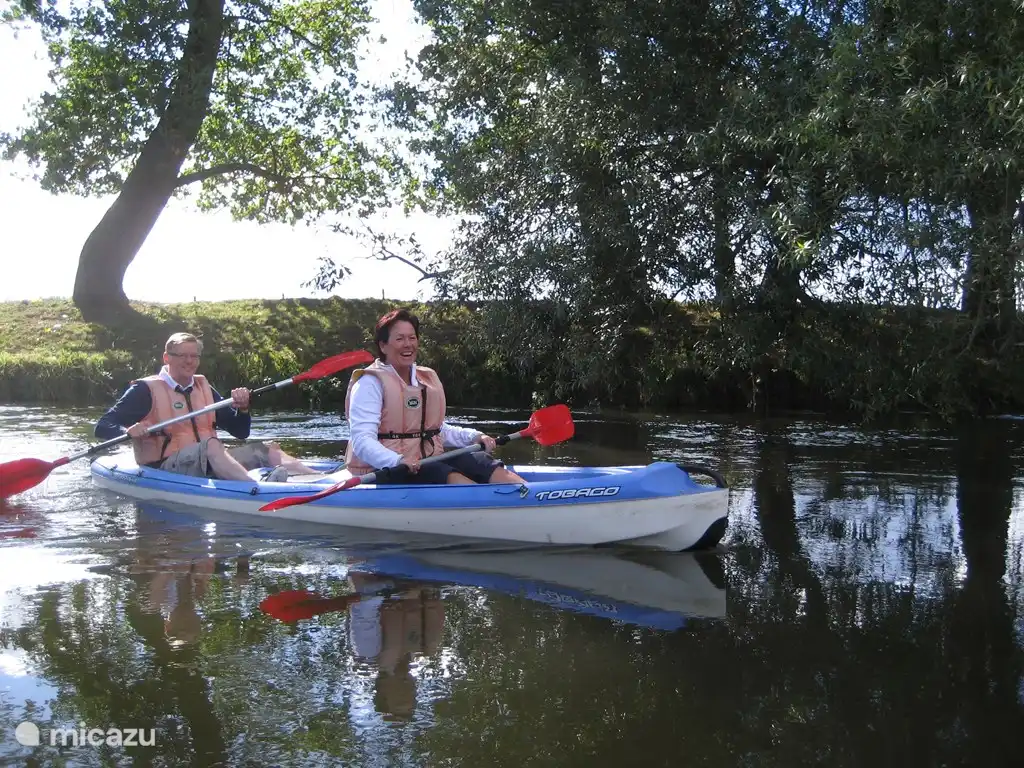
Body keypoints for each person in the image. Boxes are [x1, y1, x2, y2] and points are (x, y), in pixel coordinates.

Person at [95, 332, 320, 481]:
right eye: (182, 355)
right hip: (164, 468)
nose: (189, 361)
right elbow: (103, 426)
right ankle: (256, 489)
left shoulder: (204, 387)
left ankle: (318, 481)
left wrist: (242, 409)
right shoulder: (144, 390)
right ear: (167, 358)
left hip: (206, 462)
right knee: (211, 446)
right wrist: (127, 431)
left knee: (268, 448)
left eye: (194, 356)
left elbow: (240, 432)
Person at [344, 309, 527, 485]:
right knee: (446, 474)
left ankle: (528, 494)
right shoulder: (369, 383)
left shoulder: (425, 378)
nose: (408, 344)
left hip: (426, 461)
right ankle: (487, 507)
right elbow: (362, 441)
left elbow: (436, 430)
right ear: (383, 346)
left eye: (412, 338)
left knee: (480, 462)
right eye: (400, 339)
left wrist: (474, 436)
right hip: (387, 469)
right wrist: (397, 460)